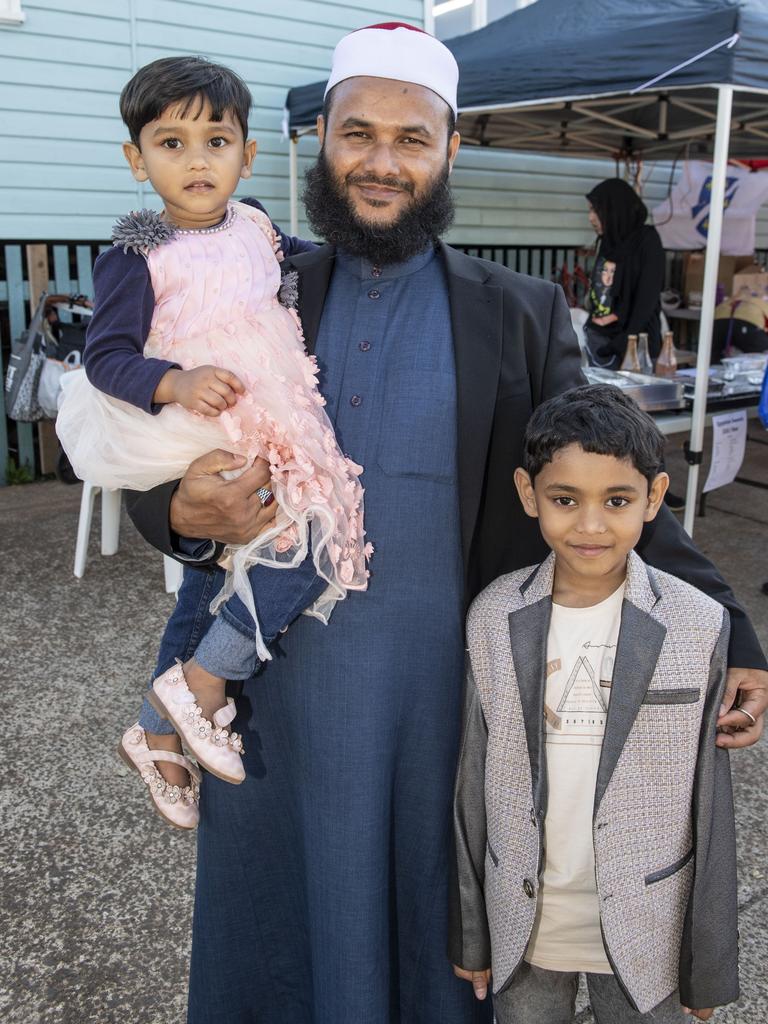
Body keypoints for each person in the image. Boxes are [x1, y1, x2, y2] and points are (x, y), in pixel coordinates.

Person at [124, 24, 767, 1024]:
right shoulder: (260, 287)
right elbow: (157, 454)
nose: (383, 162)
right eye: (359, 134)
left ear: (450, 149)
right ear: (324, 141)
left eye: (412, 138)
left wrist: (734, 624)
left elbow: (608, 472)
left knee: (439, 940)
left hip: (449, 710)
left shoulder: (514, 311)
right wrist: (178, 512)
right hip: (277, 703)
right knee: (285, 943)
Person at [56, 56, 369, 828]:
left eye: (216, 140)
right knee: (308, 536)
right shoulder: (137, 253)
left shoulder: (258, 225)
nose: (197, 161)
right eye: (171, 143)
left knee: (226, 571)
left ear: (246, 154)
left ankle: (159, 722)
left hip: (275, 403)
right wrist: (175, 381)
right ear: (137, 160)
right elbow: (106, 356)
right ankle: (203, 682)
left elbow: (322, 267)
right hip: (210, 414)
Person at [450, 384, 737, 1024]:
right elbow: (472, 780)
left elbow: (711, 800)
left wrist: (707, 962)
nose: (589, 525)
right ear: (529, 494)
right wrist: (471, 931)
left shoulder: (698, 624)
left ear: (654, 498)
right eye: (563, 500)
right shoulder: (495, 616)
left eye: (616, 501)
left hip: (650, 926)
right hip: (526, 917)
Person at [584, 178, 665, 369]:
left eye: (596, 210)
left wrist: (624, 340)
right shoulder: (607, 241)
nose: (591, 217)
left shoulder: (647, 241)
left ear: (615, 210)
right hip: (599, 341)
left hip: (634, 348)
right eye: (590, 210)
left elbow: (647, 299)